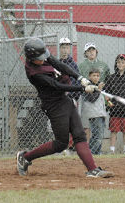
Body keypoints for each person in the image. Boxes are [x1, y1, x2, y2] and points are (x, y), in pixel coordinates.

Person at [16, 37, 114, 178]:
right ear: (31, 58)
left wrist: (80, 77)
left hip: (65, 100)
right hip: (53, 105)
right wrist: (82, 88)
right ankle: (25, 157)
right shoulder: (34, 73)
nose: (44, 60)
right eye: (40, 58)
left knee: (79, 135)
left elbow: (60, 65)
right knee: (61, 143)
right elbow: (57, 86)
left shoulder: (41, 55)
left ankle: (93, 170)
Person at [104, 54, 125, 154]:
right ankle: (112, 150)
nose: (120, 64)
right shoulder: (111, 78)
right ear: (116, 64)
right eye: (118, 62)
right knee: (113, 131)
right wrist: (109, 104)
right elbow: (107, 94)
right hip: (114, 109)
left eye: (123, 62)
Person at [78, 42, 110, 148]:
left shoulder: (103, 65)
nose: (91, 52)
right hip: (87, 98)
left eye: (93, 50)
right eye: (89, 51)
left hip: (101, 98)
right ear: (85, 53)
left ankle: (96, 153)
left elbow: (108, 81)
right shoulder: (81, 66)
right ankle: (90, 150)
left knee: (99, 128)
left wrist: (106, 97)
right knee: (88, 127)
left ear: (96, 52)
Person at [59, 37, 80, 154]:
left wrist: (74, 96)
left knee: (72, 122)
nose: (65, 49)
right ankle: (63, 145)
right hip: (60, 98)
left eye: (67, 47)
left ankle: (71, 146)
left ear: (70, 49)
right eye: (63, 47)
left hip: (71, 98)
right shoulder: (57, 63)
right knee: (61, 123)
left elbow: (77, 81)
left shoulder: (73, 65)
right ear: (60, 48)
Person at [78, 68, 107, 155]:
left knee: (98, 135)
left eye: (98, 76)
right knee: (97, 136)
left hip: (100, 113)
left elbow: (100, 99)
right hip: (94, 114)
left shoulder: (97, 86)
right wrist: (99, 89)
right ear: (89, 76)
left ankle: (97, 153)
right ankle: (91, 153)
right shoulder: (88, 86)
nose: (96, 77)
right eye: (94, 75)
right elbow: (92, 99)